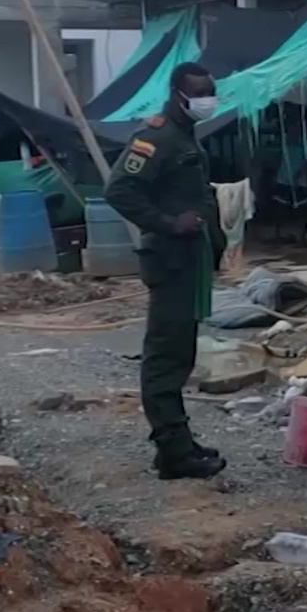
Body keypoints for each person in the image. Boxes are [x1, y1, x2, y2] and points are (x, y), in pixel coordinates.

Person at [105, 62, 228, 480]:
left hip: (189, 262)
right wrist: (166, 223)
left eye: (211, 91)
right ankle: (173, 451)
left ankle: (177, 444)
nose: (207, 100)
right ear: (178, 94)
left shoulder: (183, 135)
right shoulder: (155, 137)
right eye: (199, 93)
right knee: (166, 358)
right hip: (170, 261)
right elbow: (119, 189)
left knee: (181, 354)